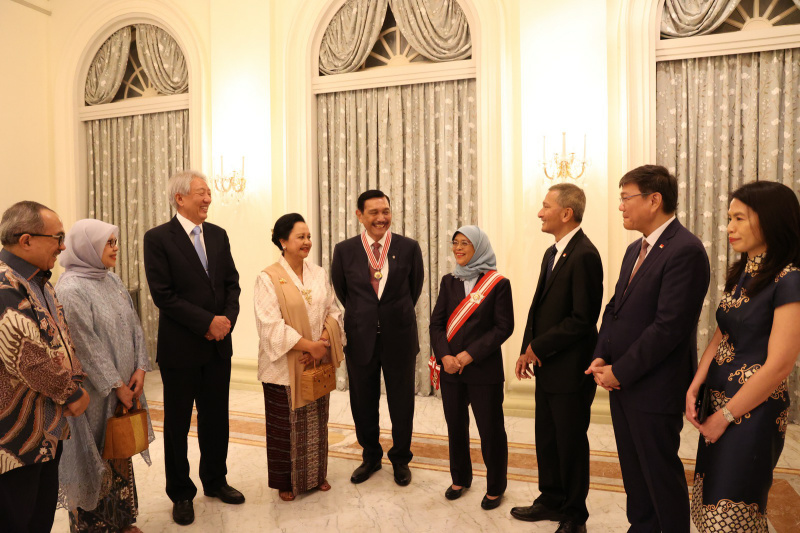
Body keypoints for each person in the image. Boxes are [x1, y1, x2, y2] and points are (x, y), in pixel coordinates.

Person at [586, 165, 710, 532]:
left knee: (659, 474)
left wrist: (620, 371)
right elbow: (615, 310)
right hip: (622, 381)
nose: (621, 206)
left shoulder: (685, 250)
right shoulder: (633, 250)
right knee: (634, 473)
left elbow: (668, 327)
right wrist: (601, 354)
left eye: (626, 197)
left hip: (654, 386)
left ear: (654, 200)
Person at [685, 181, 800, 532]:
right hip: (718, 405)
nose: (729, 227)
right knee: (708, 507)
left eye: (739, 218)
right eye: (728, 218)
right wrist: (696, 382)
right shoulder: (745, 271)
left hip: (753, 412)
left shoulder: (789, 279)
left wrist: (726, 415)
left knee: (733, 512)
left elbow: (780, 365)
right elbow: (724, 331)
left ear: (770, 221)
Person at [143, 170, 243, 526]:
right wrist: (206, 323)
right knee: (178, 425)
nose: (207, 199)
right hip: (182, 350)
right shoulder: (158, 238)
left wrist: (226, 321)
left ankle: (216, 481)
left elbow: (232, 284)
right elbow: (163, 296)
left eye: (208, 192)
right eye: (201, 193)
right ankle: (181, 493)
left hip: (218, 347)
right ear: (180, 198)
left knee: (217, 420)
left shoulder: (218, 235)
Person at [511, 184, 603, 533]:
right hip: (548, 363)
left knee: (570, 443)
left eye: (545, 206)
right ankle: (550, 498)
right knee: (547, 437)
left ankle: (574, 516)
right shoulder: (553, 253)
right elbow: (538, 308)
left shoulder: (585, 254)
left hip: (570, 368)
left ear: (567, 213)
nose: (539, 212)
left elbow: (583, 318)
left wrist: (539, 347)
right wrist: (527, 348)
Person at [57, 219, 155, 533]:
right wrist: (116, 386)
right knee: (94, 457)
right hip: (95, 395)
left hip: (127, 385)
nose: (115, 249)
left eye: (115, 242)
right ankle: (94, 527)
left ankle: (123, 520)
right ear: (88, 247)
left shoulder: (111, 280)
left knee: (119, 449)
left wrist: (140, 367)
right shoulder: (70, 289)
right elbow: (86, 346)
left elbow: (134, 325)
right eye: (109, 243)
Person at [0, 201, 89, 533]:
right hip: (16, 438)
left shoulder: (40, 281)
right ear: (26, 240)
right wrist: (71, 392)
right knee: (17, 519)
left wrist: (74, 374)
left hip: (47, 430)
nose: (63, 246)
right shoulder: (5, 284)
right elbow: (27, 357)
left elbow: (62, 337)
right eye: (57, 237)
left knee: (39, 516)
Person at [330, 190, 424, 486]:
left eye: (385, 211)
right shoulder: (344, 250)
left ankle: (400, 458)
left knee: (402, 402)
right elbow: (343, 293)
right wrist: (367, 315)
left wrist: (389, 313)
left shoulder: (408, 247)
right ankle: (370, 456)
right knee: (363, 401)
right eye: (373, 212)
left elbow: (415, 288)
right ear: (359, 215)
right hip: (361, 338)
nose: (381, 218)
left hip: (399, 336)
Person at [254, 213, 345, 501]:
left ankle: (316, 475)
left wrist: (324, 341)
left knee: (317, 421)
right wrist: (307, 345)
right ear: (283, 241)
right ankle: (285, 481)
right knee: (285, 425)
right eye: (300, 237)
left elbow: (335, 311)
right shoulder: (267, 278)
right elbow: (269, 325)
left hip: (317, 360)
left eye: (308, 236)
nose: (307, 242)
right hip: (282, 367)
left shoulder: (318, 273)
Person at [430, 225, 513, 510]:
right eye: (455, 243)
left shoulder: (498, 283)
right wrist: (445, 357)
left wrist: (469, 355)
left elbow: (504, 327)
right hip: (451, 370)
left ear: (479, 246)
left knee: (490, 430)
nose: (458, 248)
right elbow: (436, 324)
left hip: (483, 371)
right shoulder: (449, 281)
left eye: (465, 243)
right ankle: (460, 478)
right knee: (456, 427)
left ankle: (495, 486)